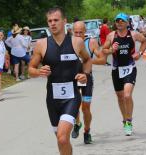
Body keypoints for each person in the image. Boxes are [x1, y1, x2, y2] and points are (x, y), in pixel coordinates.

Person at [28, 7, 92, 155]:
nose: (53, 23)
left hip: (72, 97)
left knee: (63, 139)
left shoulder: (76, 42)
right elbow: (30, 69)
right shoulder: (41, 44)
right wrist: (38, 72)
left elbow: (87, 60)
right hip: (52, 99)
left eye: (56, 20)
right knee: (61, 140)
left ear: (64, 21)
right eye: (50, 21)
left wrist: (85, 75)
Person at [102, 13, 146, 136]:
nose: (119, 23)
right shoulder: (111, 36)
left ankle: (129, 121)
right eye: (117, 21)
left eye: (122, 21)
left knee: (127, 95)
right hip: (116, 70)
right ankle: (124, 119)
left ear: (127, 23)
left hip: (130, 68)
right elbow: (103, 50)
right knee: (120, 97)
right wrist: (112, 50)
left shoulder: (133, 34)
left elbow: (144, 41)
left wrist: (139, 53)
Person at [71, 21, 106, 144]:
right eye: (76, 32)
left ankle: (87, 131)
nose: (79, 35)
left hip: (87, 78)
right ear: (71, 32)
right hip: (73, 78)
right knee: (74, 105)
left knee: (85, 108)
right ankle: (77, 123)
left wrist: (88, 61)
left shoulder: (91, 42)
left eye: (81, 32)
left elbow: (102, 59)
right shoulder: (68, 43)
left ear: (85, 32)